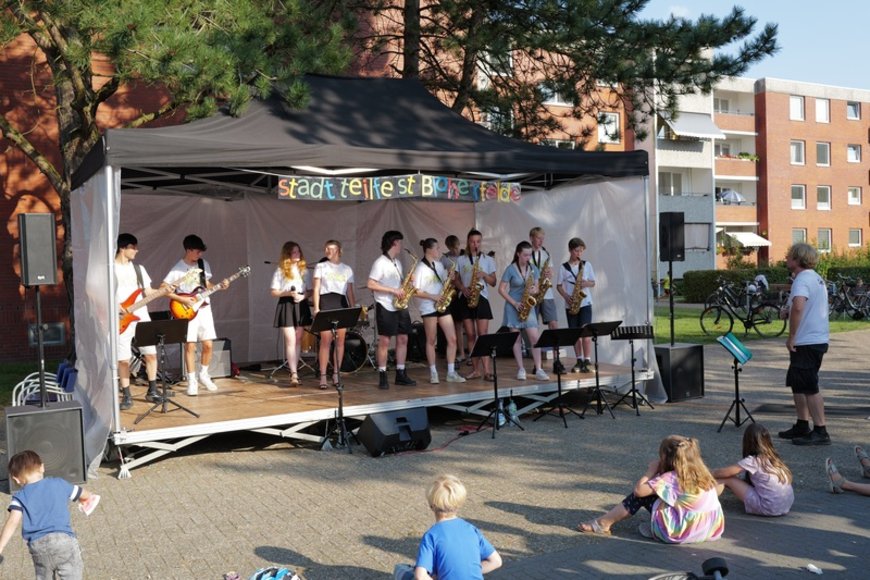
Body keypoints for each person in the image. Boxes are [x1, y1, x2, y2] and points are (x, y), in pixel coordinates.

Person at [577, 435, 724, 544]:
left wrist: (650, 471)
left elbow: (639, 491)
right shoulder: (702, 471)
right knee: (662, 494)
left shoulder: (671, 478)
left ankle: (603, 523)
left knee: (641, 496)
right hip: (709, 528)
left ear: (665, 457)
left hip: (681, 532)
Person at [0, 450, 98, 578]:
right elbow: (84, 494)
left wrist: (0, 546)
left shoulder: (19, 497)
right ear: (42, 467)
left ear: (16, 479)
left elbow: (12, 522)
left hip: (38, 547)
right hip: (64, 542)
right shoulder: (59, 483)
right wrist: (87, 499)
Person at [777, 243, 831, 446]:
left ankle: (821, 430)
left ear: (798, 259)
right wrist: (788, 311)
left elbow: (799, 307)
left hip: (807, 341)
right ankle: (802, 424)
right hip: (815, 339)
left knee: (809, 386)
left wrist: (791, 336)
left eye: (789, 256)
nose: (786, 259)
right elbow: (801, 307)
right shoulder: (815, 278)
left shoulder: (802, 280)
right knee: (797, 382)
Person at [164, 234, 228, 396]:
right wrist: (181, 300)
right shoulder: (178, 268)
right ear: (189, 250)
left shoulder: (203, 264)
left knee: (208, 344)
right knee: (190, 345)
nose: (200, 255)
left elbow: (206, 284)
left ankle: (204, 374)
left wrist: (219, 286)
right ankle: (191, 380)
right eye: (197, 252)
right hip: (187, 310)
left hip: (204, 308)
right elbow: (164, 288)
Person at [413, 474, 502, 580]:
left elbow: (420, 576)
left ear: (432, 506)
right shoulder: (471, 530)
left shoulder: (431, 536)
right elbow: (496, 561)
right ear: (459, 504)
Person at [114, 233, 160, 409]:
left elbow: (147, 292)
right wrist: (116, 306)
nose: (136, 250)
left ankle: (153, 391)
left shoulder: (139, 269)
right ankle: (126, 395)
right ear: (122, 248)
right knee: (123, 359)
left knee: (151, 354)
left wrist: (167, 291)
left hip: (142, 316)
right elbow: (99, 293)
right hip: (121, 319)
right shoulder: (110, 269)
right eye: (133, 247)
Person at [367, 230, 417, 389]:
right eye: (400, 243)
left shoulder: (397, 262)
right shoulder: (380, 262)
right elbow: (371, 284)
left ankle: (401, 373)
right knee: (385, 341)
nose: (401, 246)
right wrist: (393, 290)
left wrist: (408, 284)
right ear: (394, 243)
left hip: (399, 305)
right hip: (386, 305)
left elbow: (399, 284)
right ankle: (382, 375)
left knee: (403, 339)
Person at [413, 239, 466, 385]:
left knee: (452, 339)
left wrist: (450, 277)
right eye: (436, 248)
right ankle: (433, 373)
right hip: (429, 307)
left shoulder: (439, 264)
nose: (439, 251)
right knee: (431, 341)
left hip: (442, 305)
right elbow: (415, 291)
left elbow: (444, 282)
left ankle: (450, 372)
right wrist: (433, 296)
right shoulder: (420, 268)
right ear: (429, 250)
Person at [711, 423, 794, 516]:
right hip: (785, 505)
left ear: (748, 442)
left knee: (727, 478)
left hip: (768, 507)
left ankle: (705, 503)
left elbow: (724, 473)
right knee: (734, 478)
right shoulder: (773, 458)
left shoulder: (753, 461)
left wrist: (706, 472)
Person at [498, 241, 549, 381]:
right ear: (518, 254)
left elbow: (537, 288)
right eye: (525, 255)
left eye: (530, 255)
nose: (528, 258)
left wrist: (535, 290)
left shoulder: (533, 268)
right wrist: (514, 303)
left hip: (528, 305)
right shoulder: (510, 269)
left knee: (535, 338)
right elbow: (501, 289)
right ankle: (521, 369)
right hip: (513, 305)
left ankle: (539, 369)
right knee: (516, 340)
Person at [312, 240, 356, 390]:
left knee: (340, 340)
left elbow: (350, 290)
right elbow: (316, 288)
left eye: (331, 249)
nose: (328, 251)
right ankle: (323, 375)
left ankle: (337, 373)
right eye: (326, 249)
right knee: (326, 340)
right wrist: (316, 307)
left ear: (338, 250)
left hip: (340, 302)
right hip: (326, 300)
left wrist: (353, 307)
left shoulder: (347, 269)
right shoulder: (321, 267)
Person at [454, 229, 497, 381]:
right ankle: (475, 370)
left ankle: (487, 370)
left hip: (482, 297)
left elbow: (493, 282)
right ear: (468, 242)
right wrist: (462, 288)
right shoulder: (461, 259)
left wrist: (484, 275)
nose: (475, 244)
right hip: (466, 298)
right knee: (471, 335)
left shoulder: (488, 259)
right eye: (472, 241)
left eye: (478, 241)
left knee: (482, 335)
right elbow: (456, 279)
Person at [270, 241, 313, 387]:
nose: (297, 255)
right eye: (294, 252)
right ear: (287, 254)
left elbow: (311, 290)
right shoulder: (281, 270)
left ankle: (295, 369)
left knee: (298, 338)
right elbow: (273, 291)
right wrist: (288, 292)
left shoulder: (305, 270)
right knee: (290, 339)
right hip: (286, 303)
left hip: (300, 303)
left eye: (298, 252)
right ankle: (293, 373)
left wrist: (303, 296)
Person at [556, 237, 596, 373]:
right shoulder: (563, 268)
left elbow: (593, 282)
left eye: (581, 251)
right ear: (570, 250)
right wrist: (566, 296)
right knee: (575, 334)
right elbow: (559, 285)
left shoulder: (586, 265)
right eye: (576, 251)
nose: (579, 253)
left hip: (585, 303)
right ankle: (579, 359)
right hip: (571, 304)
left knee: (585, 332)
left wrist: (586, 283)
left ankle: (588, 360)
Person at [441, 235, 467, 363]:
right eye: (452, 249)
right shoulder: (445, 258)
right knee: (458, 324)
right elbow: (440, 277)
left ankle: (473, 353)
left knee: (468, 324)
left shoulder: (465, 256)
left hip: (466, 290)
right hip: (454, 292)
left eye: (457, 248)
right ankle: (461, 352)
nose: (455, 251)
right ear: (447, 247)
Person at [529, 227, 558, 331]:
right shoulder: (525, 254)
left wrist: (550, 273)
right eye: (538, 238)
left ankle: (555, 347)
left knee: (553, 324)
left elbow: (551, 272)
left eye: (542, 238)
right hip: (531, 293)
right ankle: (533, 347)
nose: (541, 241)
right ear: (531, 238)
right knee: (532, 326)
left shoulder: (546, 254)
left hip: (546, 293)